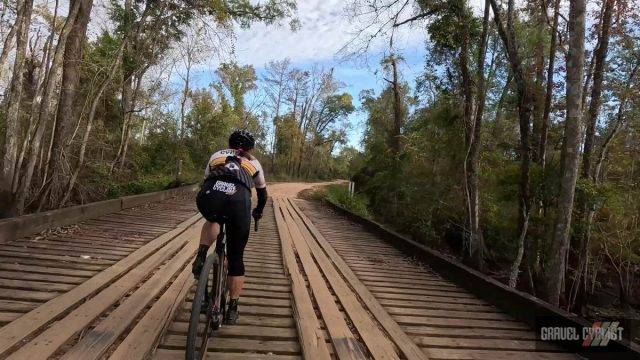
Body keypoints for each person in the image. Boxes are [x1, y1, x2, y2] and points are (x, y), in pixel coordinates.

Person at [192, 129, 267, 325]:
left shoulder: (217, 155)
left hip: (211, 194)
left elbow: (207, 178)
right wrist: (257, 212)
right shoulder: (254, 162)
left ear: (229, 143)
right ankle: (232, 308)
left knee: (213, 219)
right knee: (236, 259)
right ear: (249, 148)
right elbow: (262, 195)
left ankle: (201, 255)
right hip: (238, 201)